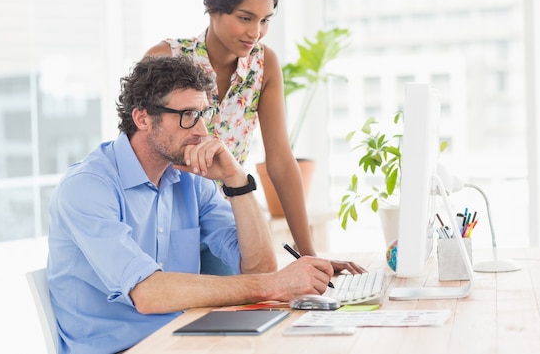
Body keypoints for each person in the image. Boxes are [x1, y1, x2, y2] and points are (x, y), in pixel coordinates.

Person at [46, 55, 334, 354]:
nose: (201, 132)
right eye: (187, 116)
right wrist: (274, 285)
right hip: (121, 348)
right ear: (142, 118)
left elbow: (258, 267)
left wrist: (237, 181)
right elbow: (147, 293)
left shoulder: (192, 180)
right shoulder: (88, 187)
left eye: (202, 115)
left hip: (184, 337)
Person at [144, 0, 363, 275]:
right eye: (246, 18)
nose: (256, 32)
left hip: (226, 214)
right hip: (167, 216)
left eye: (265, 20)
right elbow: (138, 145)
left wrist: (309, 255)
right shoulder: (165, 57)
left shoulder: (263, 65)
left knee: (251, 298)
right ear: (213, 8)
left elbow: (280, 158)